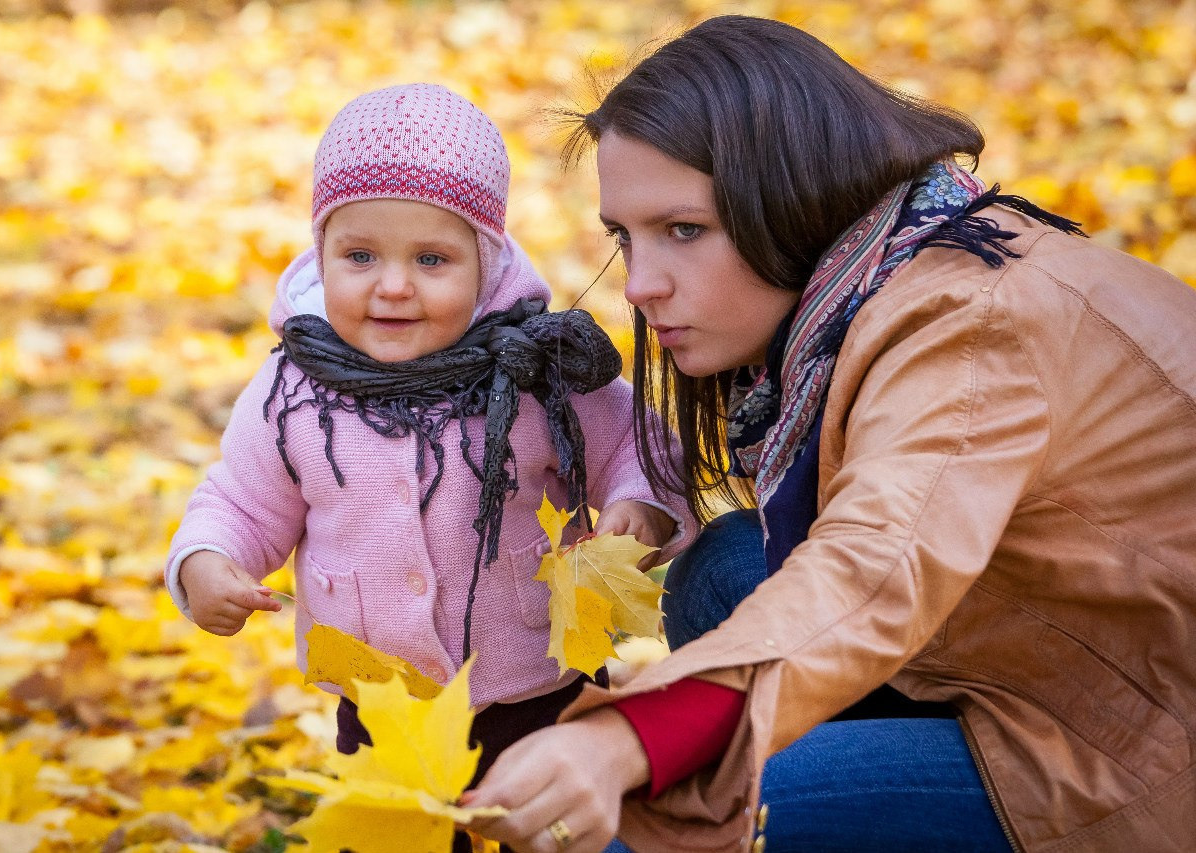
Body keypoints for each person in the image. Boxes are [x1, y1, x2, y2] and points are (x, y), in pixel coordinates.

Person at [463, 16, 1196, 853]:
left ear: (789, 194)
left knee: (662, 827)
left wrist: (625, 737)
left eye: (685, 230)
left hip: (1141, 753)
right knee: (721, 568)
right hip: (1071, 664)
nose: (640, 284)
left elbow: (872, 570)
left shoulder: (968, 332)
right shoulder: (904, 260)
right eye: (626, 238)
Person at [164, 83, 690, 786]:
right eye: (360, 257)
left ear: (488, 264)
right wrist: (207, 560)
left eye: (431, 260)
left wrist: (638, 505)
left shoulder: (531, 370)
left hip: (539, 683)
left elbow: (637, 444)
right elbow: (240, 500)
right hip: (382, 701)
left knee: (541, 822)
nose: (393, 286)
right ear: (321, 255)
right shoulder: (293, 391)